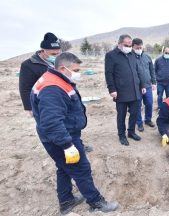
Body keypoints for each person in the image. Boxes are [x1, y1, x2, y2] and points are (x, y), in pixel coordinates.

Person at [30, 52, 119, 214]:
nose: (79, 73)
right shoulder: (52, 88)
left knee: (63, 167)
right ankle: (96, 202)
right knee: (81, 169)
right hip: (61, 137)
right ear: (63, 68)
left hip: (60, 135)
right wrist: (67, 145)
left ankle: (66, 201)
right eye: (76, 70)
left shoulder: (55, 78)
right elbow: (52, 122)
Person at [105, 34, 146, 146]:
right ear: (119, 44)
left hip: (135, 91)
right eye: (126, 45)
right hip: (121, 92)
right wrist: (112, 89)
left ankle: (131, 132)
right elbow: (109, 74)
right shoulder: (111, 55)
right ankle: (122, 135)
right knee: (121, 115)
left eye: (130, 45)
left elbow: (138, 71)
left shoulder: (132, 54)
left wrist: (142, 85)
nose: (128, 46)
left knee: (134, 113)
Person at [19, 32, 61, 116]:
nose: (56, 56)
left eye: (58, 53)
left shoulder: (59, 62)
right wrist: (30, 107)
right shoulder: (28, 65)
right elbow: (25, 88)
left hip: (60, 100)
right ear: (42, 51)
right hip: (43, 103)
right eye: (53, 54)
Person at [132, 38, 157, 132]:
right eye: (137, 47)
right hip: (136, 87)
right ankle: (139, 123)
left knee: (149, 103)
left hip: (148, 85)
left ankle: (148, 120)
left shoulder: (147, 56)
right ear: (133, 46)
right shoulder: (130, 57)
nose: (139, 49)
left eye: (140, 47)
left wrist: (154, 82)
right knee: (138, 105)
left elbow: (152, 70)